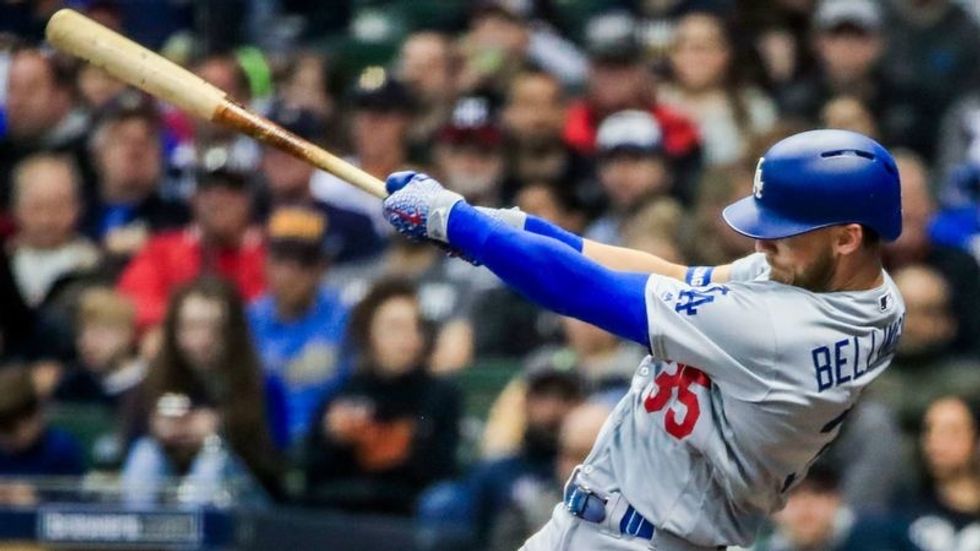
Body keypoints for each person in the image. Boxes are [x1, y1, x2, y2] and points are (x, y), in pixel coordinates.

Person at [381, 128, 906, 550]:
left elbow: (589, 292)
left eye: (783, 231)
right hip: (614, 525)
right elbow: (671, 274)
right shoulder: (866, 293)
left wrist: (461, 225)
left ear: (846, 238)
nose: (761, 243)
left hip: (642, 536)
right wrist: (519, 229)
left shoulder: (778, 329)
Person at [121, 278, 284, 506]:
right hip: (173, 490)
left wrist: (222, 428)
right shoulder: (156, 379)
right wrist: (159, 430)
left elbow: (274, 464)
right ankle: (137, 527)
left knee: (212, 461)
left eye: (214, 328)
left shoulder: (262, 384)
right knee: (145, 454)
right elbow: (126, 442)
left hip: (244, 500)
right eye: (191, 327)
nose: (202, 340)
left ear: (233, 331)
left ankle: (194, 529)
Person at [304, 279, 460, 515]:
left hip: (411, 513)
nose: (408, 338)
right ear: (368, 333)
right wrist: (332, 440)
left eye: (416, 327)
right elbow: (314, 476)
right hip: (346, 513)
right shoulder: (341, 395)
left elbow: (442, 473)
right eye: (395, 327)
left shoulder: (441, 395)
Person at [248, 207, 351, 446]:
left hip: (325, 446)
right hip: (263, 443)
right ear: (266, 264)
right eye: (282, 260)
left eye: (305, 261)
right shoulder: (248, 321)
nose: (292, 273)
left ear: (322, 267)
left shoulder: (345, 318)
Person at [755, 464, 918, 551]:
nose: (806, 505)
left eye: (817, 492)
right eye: (793, 494)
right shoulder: (761, 548)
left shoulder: (883, 535)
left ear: (836, 500)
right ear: (772, 508)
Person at [897, 396, 980, 551]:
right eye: (929, 430)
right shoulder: (903, 508)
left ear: (975, 438)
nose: (935, 441)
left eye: (951, 431)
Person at [0, 365, 85, 505]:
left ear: (36, 414)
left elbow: (74, 507)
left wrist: (36, 504)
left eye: (11, 429)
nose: (6, 438)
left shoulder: (62, 450)